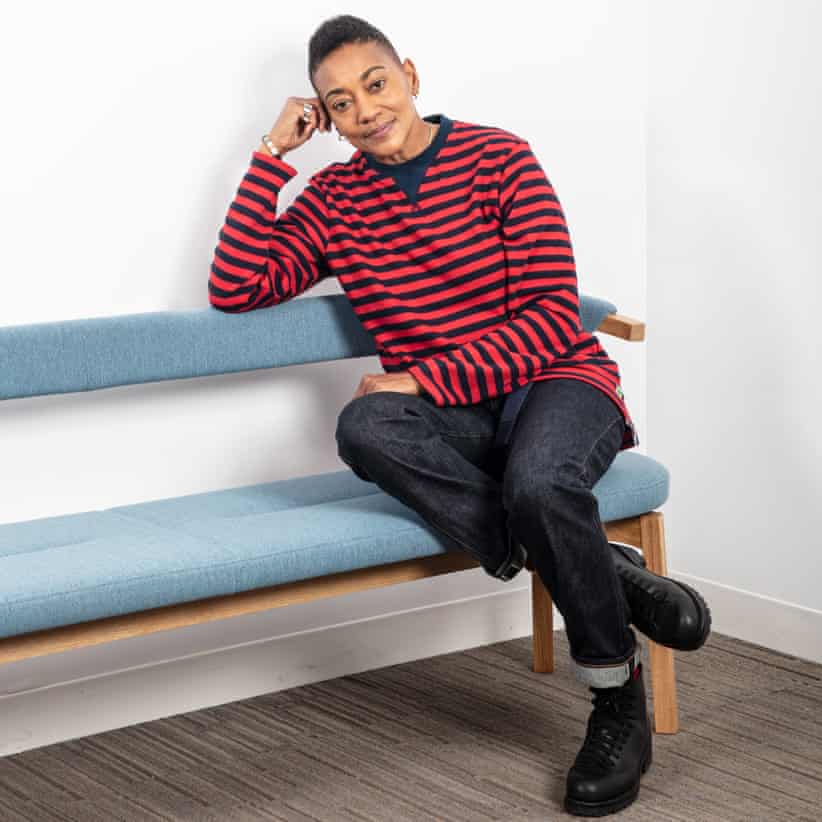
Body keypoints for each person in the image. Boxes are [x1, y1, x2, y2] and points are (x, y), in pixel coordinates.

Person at [208, 14, 711, 817]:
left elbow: (555, 317)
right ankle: (601, 573)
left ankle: (616, 696)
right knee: (363, 427)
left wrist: (423, 376)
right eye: (340, 103)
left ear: (408, 72)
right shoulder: (334, 201)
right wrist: (270, 159)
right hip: (462, 414)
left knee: (543, 486)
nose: (367, 109)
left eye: (376, 83)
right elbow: (237, 287)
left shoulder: (498, 157)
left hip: (560, 382)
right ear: (325, 118)